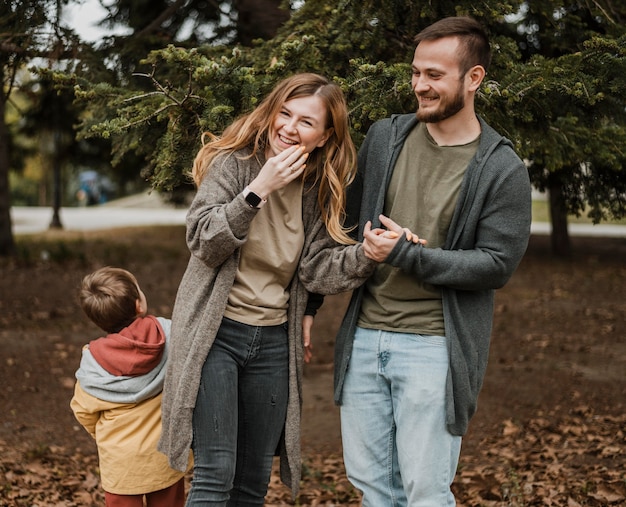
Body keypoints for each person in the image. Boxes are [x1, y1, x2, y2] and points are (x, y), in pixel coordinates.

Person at [302, 16, 533, 506]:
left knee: (425, 492)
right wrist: (311, 305)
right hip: (364, 340)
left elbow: (496, 264)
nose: (419, 86)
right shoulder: (386, 138)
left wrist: (408, 255)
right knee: (372, 490)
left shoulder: (500, 167)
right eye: (415, 73)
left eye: (434, 75)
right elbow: (339, 227)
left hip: (434, 348)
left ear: (474, 79)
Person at [158, 72, 372, 506]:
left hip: (274, 340)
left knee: (253, 479)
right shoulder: (235, 165)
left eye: (306, 122)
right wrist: (258, 191)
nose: (289, 128)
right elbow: (203, 240)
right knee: (216, 472)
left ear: (326, 134)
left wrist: (369, 254)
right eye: (285, 113)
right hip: (214, 334)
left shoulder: (319, 188)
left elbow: (316, 271)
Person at [70, 266, 188, 507]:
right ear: (139, 305)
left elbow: (82, 410)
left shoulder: (93, 362)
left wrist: (106, 435)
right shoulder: (170, 335)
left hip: (120, 465)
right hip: (164, 457)